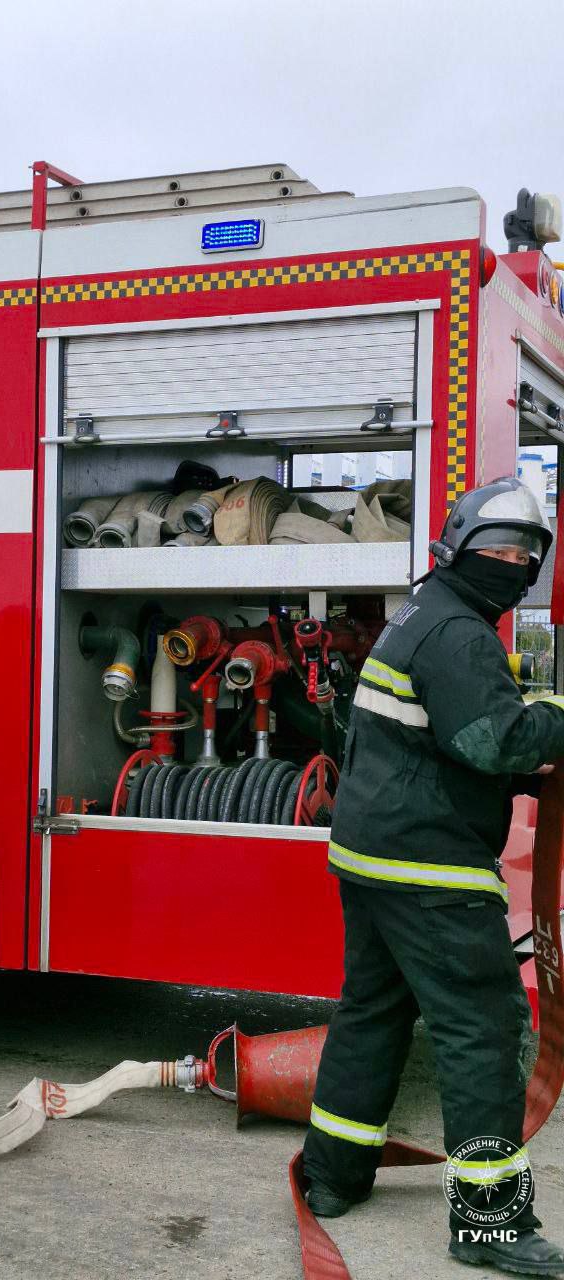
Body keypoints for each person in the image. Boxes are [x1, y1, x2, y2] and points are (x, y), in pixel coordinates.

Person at [301, 476, 564, 1277]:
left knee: (373, 1015)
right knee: (482, 1033)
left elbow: (443, 738)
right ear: (459, 548)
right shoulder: (458, 633)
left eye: (525, 555)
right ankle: (489, 1223)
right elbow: (492, 740)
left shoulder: (422, 609)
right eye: (500, 550)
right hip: (429, 866)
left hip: (371, 854)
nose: (512, 565)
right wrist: (553, 719)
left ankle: (332, 1177)